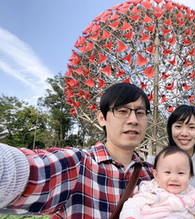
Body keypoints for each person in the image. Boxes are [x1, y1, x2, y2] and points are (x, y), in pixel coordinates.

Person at [0, 82, 154, 218]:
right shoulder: (76, 165)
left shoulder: (153, 175)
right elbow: (22, 171)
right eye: (122, 111)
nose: (133, 120)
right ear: (102, 118)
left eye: (140, 113)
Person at [148, 104, 195, 218]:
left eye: (191, 127)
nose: (184, 133)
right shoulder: (152, 164)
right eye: (178, 126)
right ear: (170, 130)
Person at [120, 146, 195, 219]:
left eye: (180, 173)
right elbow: (132, 205)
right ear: (156, 175)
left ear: (189, 176)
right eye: (167, 172)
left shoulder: (190, 194)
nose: (174, 178)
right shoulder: (151, 190)